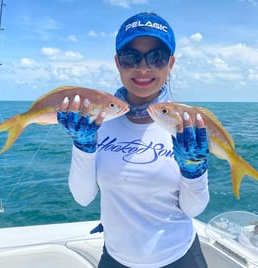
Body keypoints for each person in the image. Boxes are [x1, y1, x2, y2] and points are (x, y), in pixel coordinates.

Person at [57, 12, 209, 268]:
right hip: (116, 259)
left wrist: (194, 168)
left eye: (156, 57)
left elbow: (193, 209)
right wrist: (83, 145)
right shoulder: (98, 121)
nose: (143, 67)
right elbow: (83, 197)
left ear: (170, 63)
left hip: (179, 258)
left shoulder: (185, 124)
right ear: (118, 62)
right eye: (130, 57)